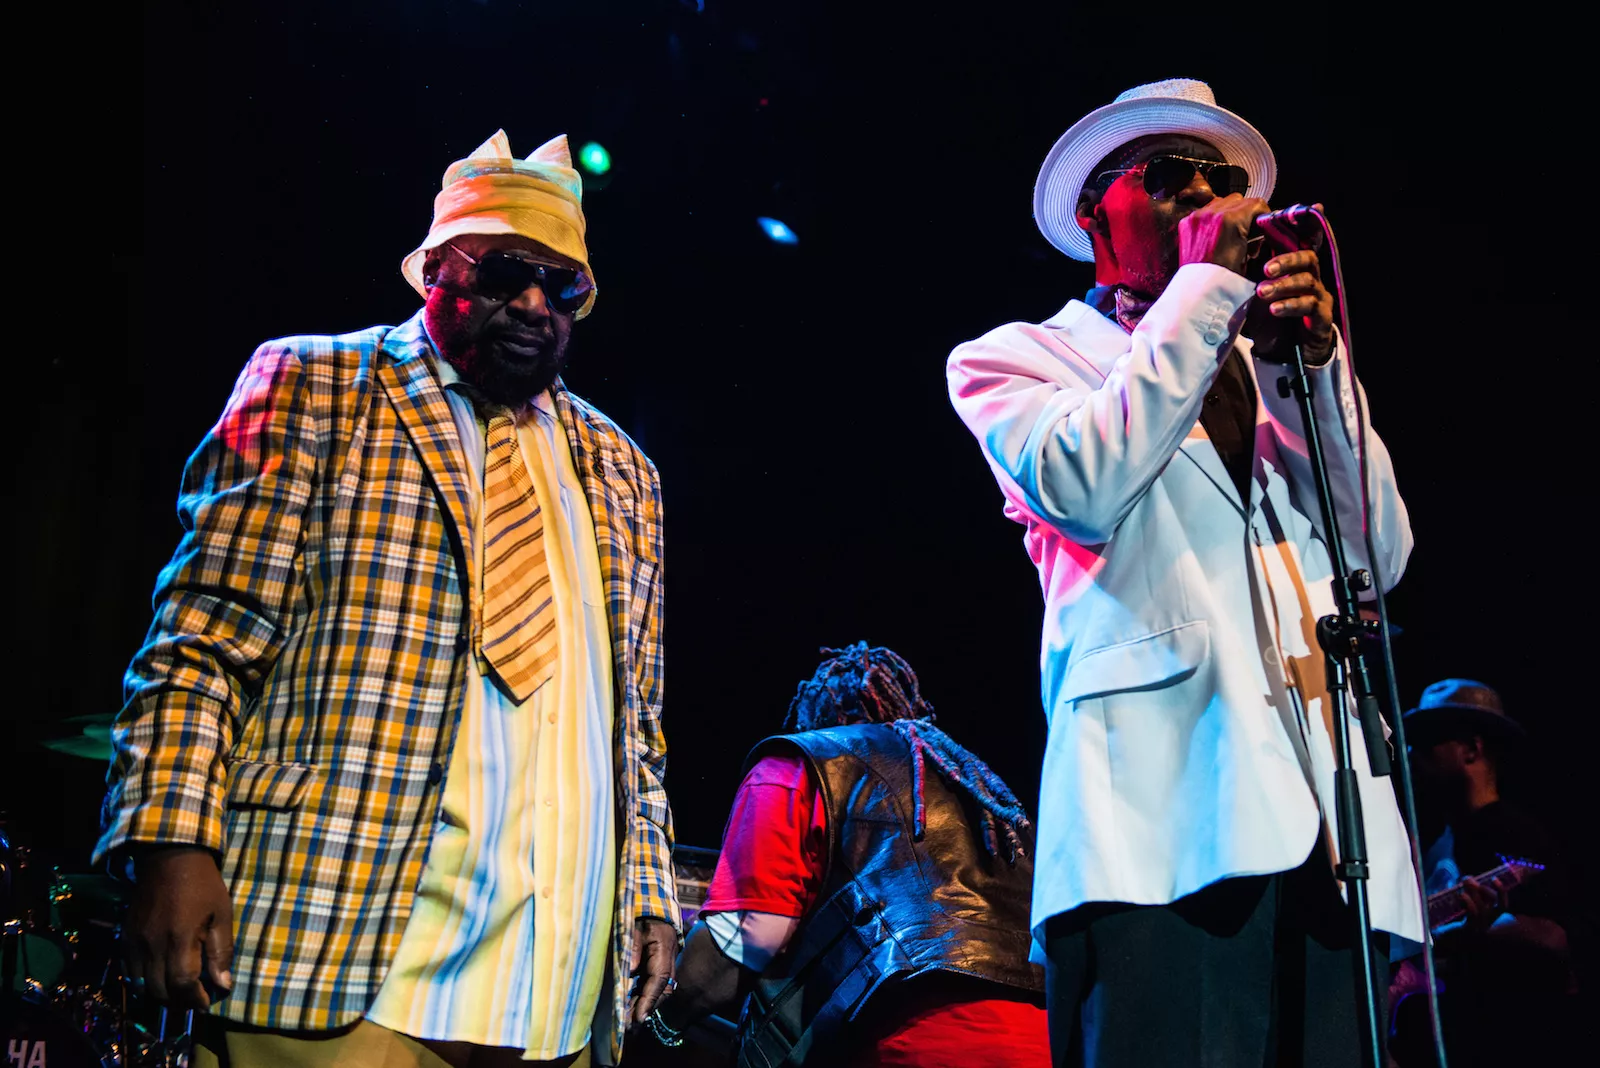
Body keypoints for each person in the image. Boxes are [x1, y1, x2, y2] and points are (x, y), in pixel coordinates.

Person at [93, 130, 678, 1068]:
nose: (534, 303)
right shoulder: (317, 385)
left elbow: (634, 728)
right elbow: (201, 640)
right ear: (436, 269)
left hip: (556, 981)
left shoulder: (623, 471)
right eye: (505, 273)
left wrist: (649, 893)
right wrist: (171, 843)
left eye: (561, 286)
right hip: (340, 950)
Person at [945, 78, 1424, 1067]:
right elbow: (1082, 485)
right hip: (1157, 825)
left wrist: (1312, 364)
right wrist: (1203, 293)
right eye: (1168, 174)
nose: (1206, 193)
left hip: (1333, 831)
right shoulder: (1018, 359)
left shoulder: (1274, 365)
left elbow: (1378, 556)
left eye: (1223, 180)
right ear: (1094, 212)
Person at [649, 643, 1050, 1067]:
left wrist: (658, 1015)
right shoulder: (980, 793)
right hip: (1048, 1044)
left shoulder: (806, 762)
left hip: (913, 1043)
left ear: (811, 717)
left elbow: (749, 935)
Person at [1390, 679, 1576, 1067]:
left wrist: (1484, 928)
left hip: (1503, 1043)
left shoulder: (1517, 834)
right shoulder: (1435, 838)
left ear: (1471, 750)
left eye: (1427, 742)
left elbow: (1558, 936)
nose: (1409, 753)